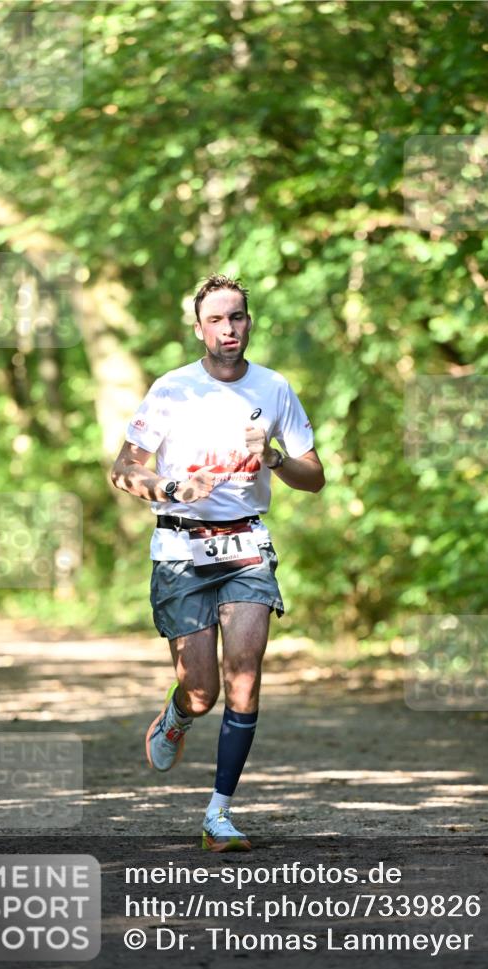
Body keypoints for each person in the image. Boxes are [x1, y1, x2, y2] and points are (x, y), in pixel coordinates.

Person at [111, 274, 324, 851]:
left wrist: (276, 457)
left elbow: (315, 476)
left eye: (238, 318)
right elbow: (124, 470)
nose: (229, 329)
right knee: (203, 692)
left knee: (245, 676)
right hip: (181, 548)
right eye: (217, 320)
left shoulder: (275, 388)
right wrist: (177, 488)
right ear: (199, 328)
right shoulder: (172, 390)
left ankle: (218, 814)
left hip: (247, 548)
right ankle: (179, 715)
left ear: (249, 322)